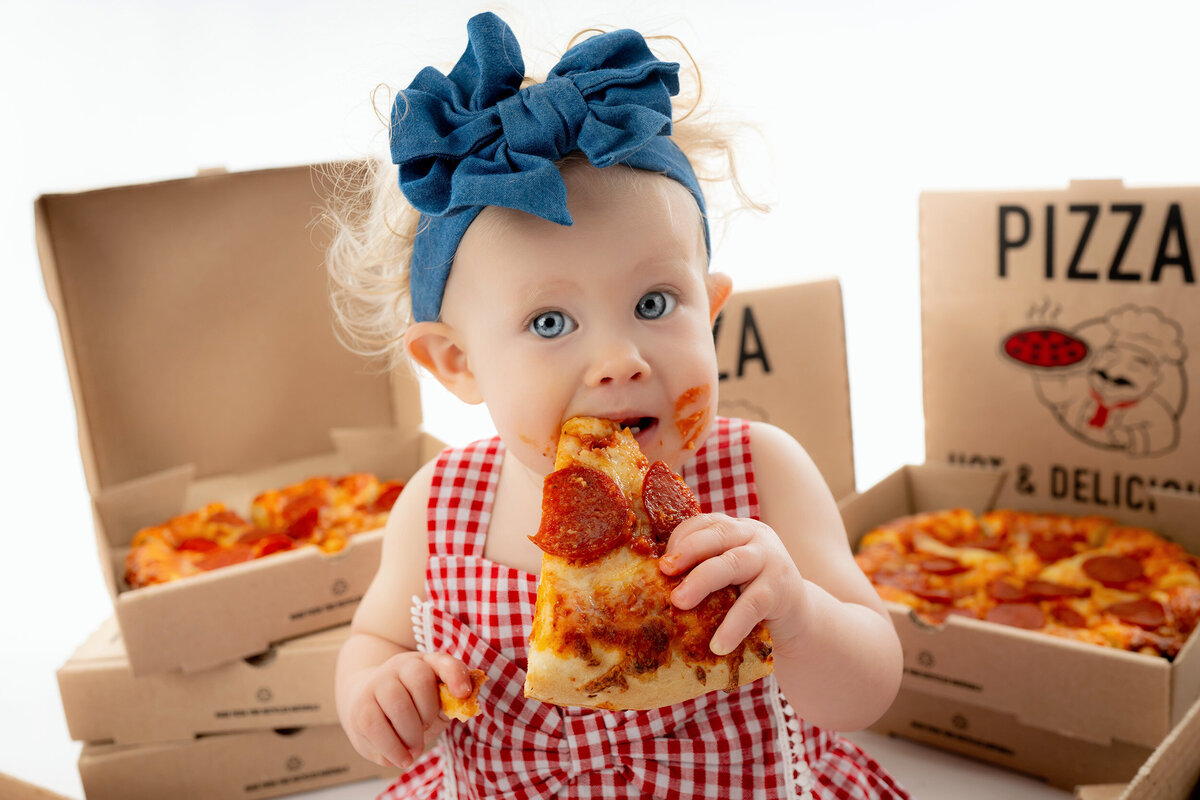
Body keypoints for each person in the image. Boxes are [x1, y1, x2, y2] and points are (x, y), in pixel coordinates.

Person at [330, 12, 908, 799]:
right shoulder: (437, 506)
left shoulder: (762, 471)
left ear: (709, 309)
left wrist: (800, 616)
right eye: (549, 323)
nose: (619, 361)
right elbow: (375, 638)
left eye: (654, 302)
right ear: (458, 364)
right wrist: (379, 692)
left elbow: (869, 689)